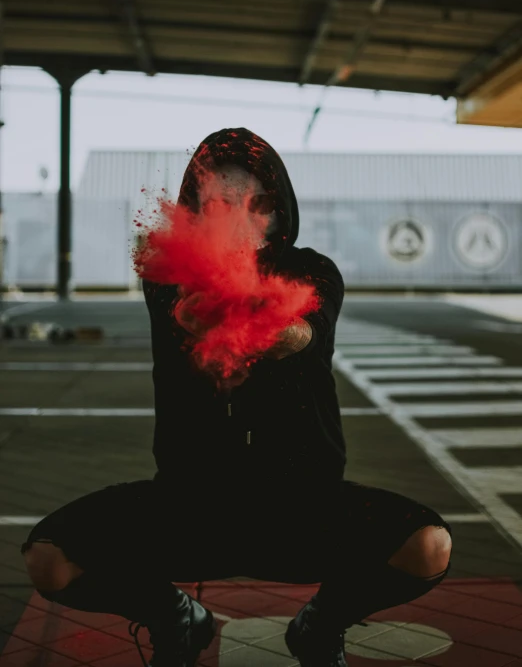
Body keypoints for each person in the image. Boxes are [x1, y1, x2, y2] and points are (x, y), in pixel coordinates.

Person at [21, 128, 453, 667]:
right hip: (190, 506)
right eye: (221, 203)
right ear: (196, 208)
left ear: (278, 209)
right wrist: (208, 301)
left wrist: (269, 322)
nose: (240, 218)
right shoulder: (167, 272)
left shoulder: (314, 271)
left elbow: (302, 333)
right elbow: (184, 313)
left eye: (257, 203)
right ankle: (172, 615)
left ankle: (320, 625)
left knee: (427, 546)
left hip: (303, 507)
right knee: (49, 560)